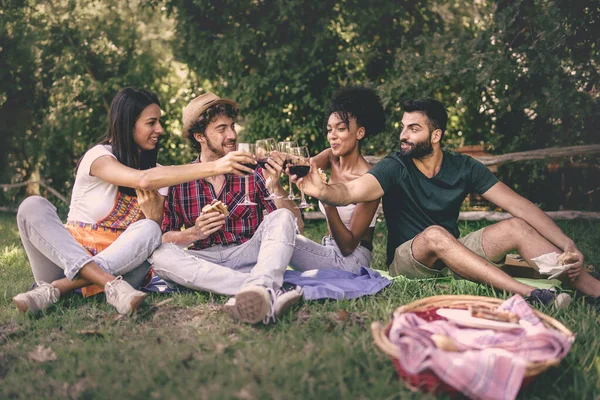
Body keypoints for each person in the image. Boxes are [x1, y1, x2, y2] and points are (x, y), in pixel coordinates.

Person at [293, 98, 600, 308]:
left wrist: (567, 242)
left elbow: (522, 206)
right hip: (409, 259)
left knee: (516, 227)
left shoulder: (464, 167)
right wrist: (324, 191)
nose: (403, 134)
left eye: (414, 128)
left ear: (435, 134)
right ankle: (532, 295)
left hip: (455, 252)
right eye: (403, 127)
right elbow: (349, 192)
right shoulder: (394, 166)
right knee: (436, 234)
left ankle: (590, 288)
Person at [13, 88, 257, 315]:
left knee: (150, 228)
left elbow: (154, 241)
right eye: (151, 122)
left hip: (125, 273)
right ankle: (102, 285)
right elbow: (142, 180)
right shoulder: (99, 157)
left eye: (159, 121)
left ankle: (56, 290)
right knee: (32, 205)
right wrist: (215, 166)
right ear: (128, 125)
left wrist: (155, 220)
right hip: (66, 265)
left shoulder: (159, 175)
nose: (160, 129)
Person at [149, 92, 304, 325]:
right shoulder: (180, 180)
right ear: (200, 136)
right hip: (204, 260)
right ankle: (261, 287)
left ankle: (257, 286)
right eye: (221, 129)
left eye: (232, 126)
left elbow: (295, 226)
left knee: (282, 216)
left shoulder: (254, 171)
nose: (231, 135)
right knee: (158, 255)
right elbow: (165, 237)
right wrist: (194, 233)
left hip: (247, 253)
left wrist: (274, 184)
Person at [289, 86, 384, 273]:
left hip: (353, 260)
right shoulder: (331, 158)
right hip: (328, 249)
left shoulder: (370, 179)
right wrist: (280, 160)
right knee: (278, 234)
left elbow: (348, 246)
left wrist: (327, 198)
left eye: (341, 129)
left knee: (282, 240)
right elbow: (302, 166)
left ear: (360, 133)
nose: (332, 136)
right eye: (329, 129)